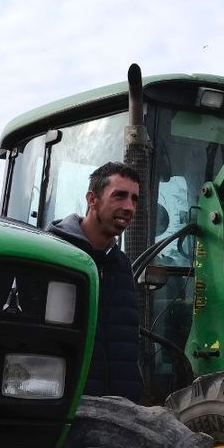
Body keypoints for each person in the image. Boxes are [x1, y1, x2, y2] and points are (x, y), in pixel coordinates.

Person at [48, 161, 145, 402]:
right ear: (92, 199)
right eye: (119, 196)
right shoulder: (55, 254)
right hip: (69, 407)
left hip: (119, 411)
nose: (129, 207)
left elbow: (125, 346)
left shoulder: (120, 264)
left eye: (134, 199)